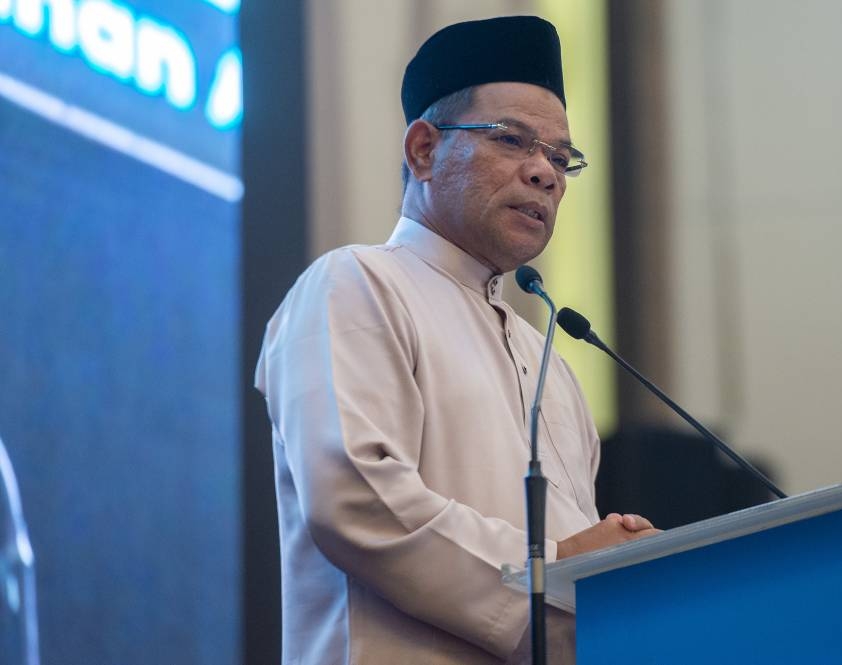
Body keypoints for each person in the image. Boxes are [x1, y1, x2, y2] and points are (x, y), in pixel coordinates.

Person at [255, 16, 657, 664]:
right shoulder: (354, 284)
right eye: (513, 141)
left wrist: (633, 567)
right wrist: (551, 568)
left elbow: (575, 599)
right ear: (423, 150)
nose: (545, 175)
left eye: (560, 158)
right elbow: (356, 499)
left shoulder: (551, 361)